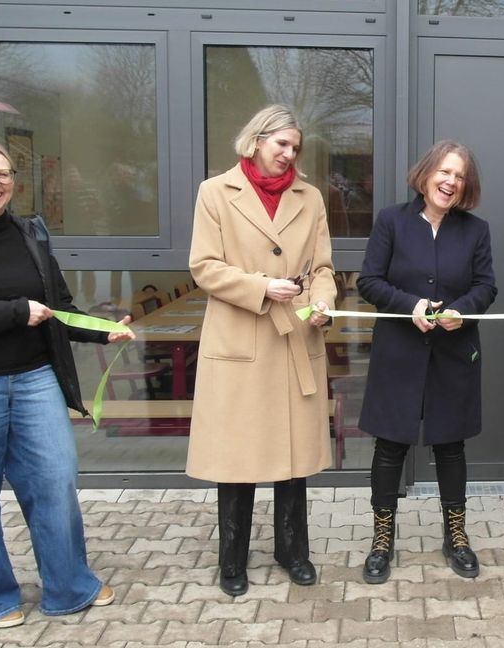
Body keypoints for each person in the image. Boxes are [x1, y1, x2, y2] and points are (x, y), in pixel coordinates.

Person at [0, 139, 133, 628]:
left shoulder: (31, 233)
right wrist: (13, 311)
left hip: (36, 381)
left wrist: (100, 330)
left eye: (3, 173)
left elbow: (57, 306)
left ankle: (69, 587)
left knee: (56, 484)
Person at [186, 104, 337, 597]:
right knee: (238, 458)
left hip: (294, 337)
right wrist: (260, 287)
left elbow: (322, 268)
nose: (289, 154)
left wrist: (322, 303)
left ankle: (293, 551)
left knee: (292, 459)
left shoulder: (310, 197)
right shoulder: (215, 192)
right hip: (240, 339)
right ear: (255, 141)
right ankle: (232, 560)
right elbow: (203, 266)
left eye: (295, 147)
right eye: (281, 145)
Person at [356, 140, 497, 584]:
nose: (451, 182)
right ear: (426, 173)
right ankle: (382, 539)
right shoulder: (391, 221)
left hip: (453, 353)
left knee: (451, 446)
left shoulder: (475, 230)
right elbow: (369, 282)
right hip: (398, 351)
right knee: (390, 446)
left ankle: (456, 536)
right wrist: (409, 304)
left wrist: (463, 309)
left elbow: (487, 286)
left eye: (459, 176)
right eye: (445, 172)